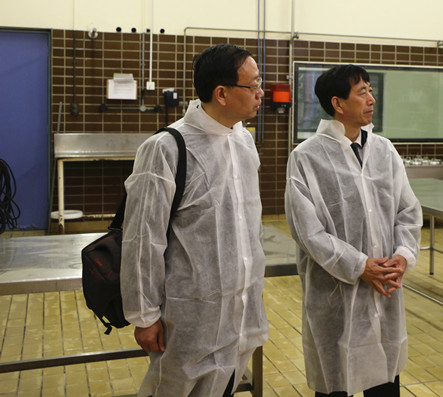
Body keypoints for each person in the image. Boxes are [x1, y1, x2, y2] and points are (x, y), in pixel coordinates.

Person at [121, 44, 269, 397]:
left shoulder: (243, 141)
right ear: (222, 93)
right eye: (253, 85)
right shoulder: (167, 147)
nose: (261, 93)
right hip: (189, 316)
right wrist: (144, 315)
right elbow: (143, 237)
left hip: (242, 311)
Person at [285, 64, 422, 397]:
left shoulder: (384, 151)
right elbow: (308, 232)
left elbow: (407, 210)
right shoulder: (307, 157)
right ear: (338, 103)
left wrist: (403, 255)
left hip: (385, 288)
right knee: (335, 379)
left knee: (384, 382)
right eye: (362, 92)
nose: (372, 99)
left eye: (371, 90)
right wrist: (360, 266)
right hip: (335, 296)